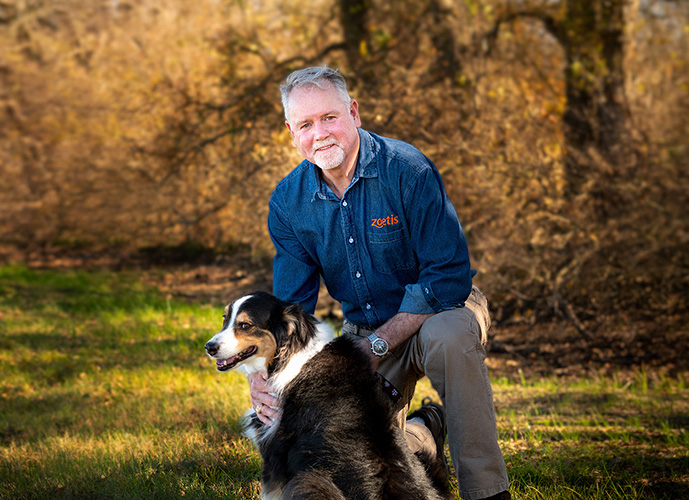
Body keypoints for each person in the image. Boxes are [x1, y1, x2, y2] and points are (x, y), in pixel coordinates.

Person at [248, 65, 511, 500]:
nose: (321, 134)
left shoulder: (407, 170)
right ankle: (423, 435)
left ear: (353, 112)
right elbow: (292, 310)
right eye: (306, 125)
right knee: (364, 450)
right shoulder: (288, 203)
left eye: (330, 117)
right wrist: (266, 374)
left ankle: (487, 491)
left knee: (449, 337)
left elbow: (447, 276)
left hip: (444, 309)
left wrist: (376, 346)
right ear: (292, 132)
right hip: (365, 332)